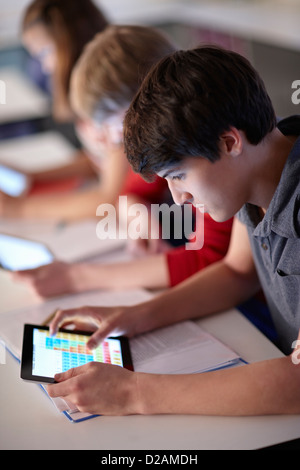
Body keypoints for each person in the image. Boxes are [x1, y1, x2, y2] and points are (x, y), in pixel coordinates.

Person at [46, 46, 300, 417]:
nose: (179, 200)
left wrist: (133, 393)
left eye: (180, 176)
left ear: (229, 142)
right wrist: (135, 316)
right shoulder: (258, 171)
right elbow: (237, 272)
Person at [0, 25, 171, 223]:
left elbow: (107, 201)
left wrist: (19, 208)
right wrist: (30, 176)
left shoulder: (141, 141)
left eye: (45, 52)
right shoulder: (122, 126)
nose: (44, 66)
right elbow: (97, 161)